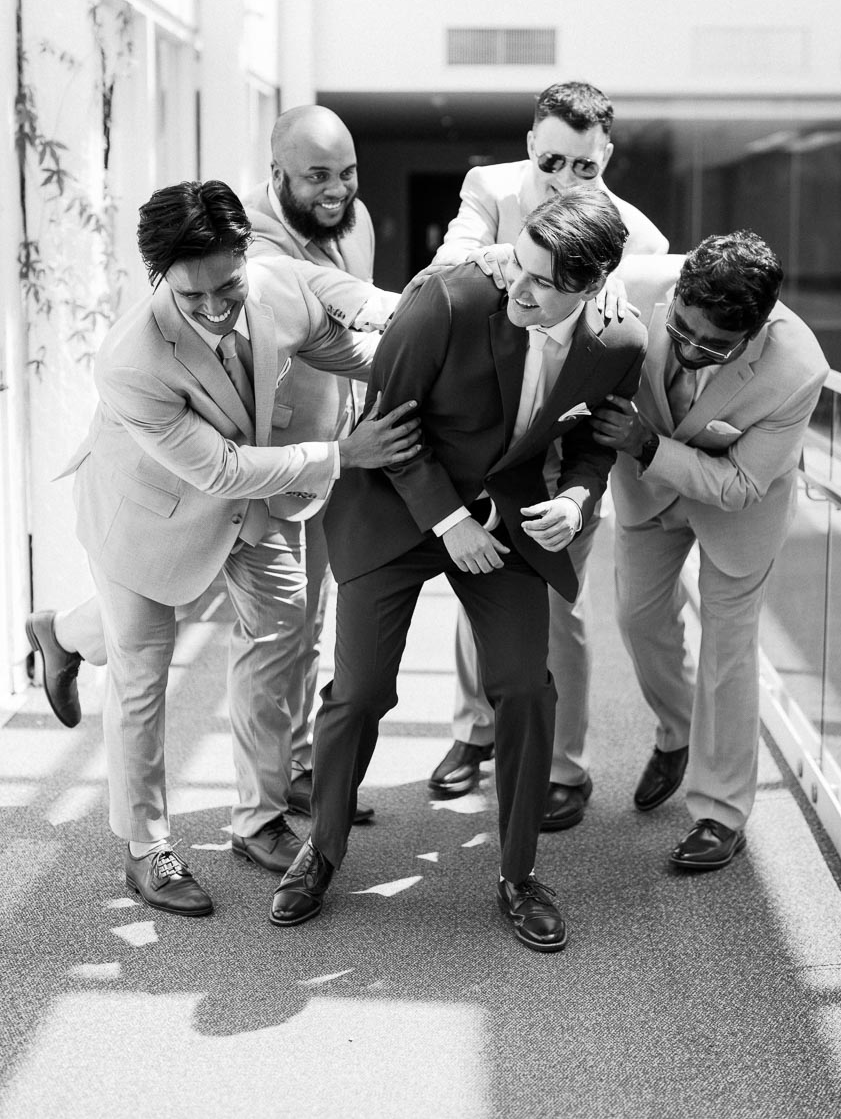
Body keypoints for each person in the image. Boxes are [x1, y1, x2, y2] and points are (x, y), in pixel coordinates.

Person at [268, 186, 647, 953]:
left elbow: (594, 444)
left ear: (596, 284)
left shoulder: (619, 343)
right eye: (520, 264)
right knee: (363, 690)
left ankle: (517, 873)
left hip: (505, 520)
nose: (519, 286)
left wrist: (575, 501)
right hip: (396, 507)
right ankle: (324, 849)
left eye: (543, 282)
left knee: (525, 689)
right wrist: (450, 523)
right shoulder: (445, 300)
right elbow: (386, 429)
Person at [28, 180, 419, 917]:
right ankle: (146, 851)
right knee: (143, 670)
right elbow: (218, 469)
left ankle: (258, 815)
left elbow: (351, 349)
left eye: (227, 287)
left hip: (256, 502)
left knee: (279, 633)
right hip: (147, 511)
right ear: (158, 279)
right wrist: (345, 452)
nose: (215, 307)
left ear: (248, 255)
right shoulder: (131, 360)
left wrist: (449, 332)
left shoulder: (275, 286)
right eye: (190, 295)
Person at [425, 80, 669, 831]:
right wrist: (545, 264)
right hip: (485, 436)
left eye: (586, 169)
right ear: (533, 147)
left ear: (608, 158)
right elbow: (449, 265)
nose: (568, 181)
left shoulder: (636, 233)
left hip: (565, 448)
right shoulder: (489, 187)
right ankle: (477, 729)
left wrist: (612, 278)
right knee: (476, 587)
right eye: (554, 163)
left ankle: (566, 766)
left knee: (558, 605)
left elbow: (655, 287)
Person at [591, 231, 828, 871]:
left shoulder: (798, 368)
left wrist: (647, 446)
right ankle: (677, 732)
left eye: (716, 345)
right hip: (648, 498)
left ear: (756, 331)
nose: (693, 351)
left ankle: (721, 814)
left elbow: (744, 483)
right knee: (636, 621)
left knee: (729, 653)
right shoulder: (633, 286)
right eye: (684, 332)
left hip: (737, 513)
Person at [241, 104, 400, 826]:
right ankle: (263, 805)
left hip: (336, 451)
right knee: (265, 632)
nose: (339, 191)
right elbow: (333, 316)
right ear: (278, 175)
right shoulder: (248, 238)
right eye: (318, 177)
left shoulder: (354, 218)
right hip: (265, 454)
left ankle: (300, 768)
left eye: (348, 172)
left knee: (307, 622)